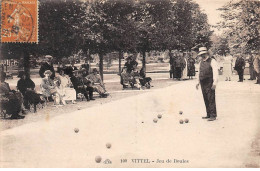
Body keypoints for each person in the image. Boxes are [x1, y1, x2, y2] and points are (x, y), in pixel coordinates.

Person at [196, 47, 218, 121]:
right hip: (202, 82)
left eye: (203, 54)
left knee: (211, 98)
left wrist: (215, 83)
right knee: (205, 98)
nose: (202, 56)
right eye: (201, 55)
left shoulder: (212, 61)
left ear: (206, 53)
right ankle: (208, 114)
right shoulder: (200, 62)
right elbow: (199, 72)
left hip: (209, 82)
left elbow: (215, 72)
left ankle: (213, 115)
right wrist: (197, 82)